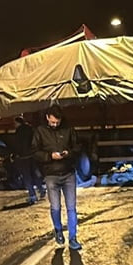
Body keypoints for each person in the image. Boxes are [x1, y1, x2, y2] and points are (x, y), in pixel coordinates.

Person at [31, 105, 82, 249]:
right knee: (55, 207)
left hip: (68, 174)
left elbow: (77, 147)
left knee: (71, 207)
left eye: (57, 122)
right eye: (52, 122)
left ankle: (73, 237)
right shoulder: (40, 131)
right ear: (47, 117)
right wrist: (49, 156)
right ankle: (58, 230)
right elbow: (35, 152)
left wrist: (68, 153)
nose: (55, 124)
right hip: (51, 175)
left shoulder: (68, 129)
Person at [11, 116, 44, 204]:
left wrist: (15, 155)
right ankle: (41, 190)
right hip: (32, 156)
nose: (14, 125)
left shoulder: (18, 132)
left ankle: (32, 195)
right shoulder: (31, 129)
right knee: (34, 174)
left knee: (26, 176)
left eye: (15, 123)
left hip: (23, 157)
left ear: (18, 123)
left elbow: (17, 145)